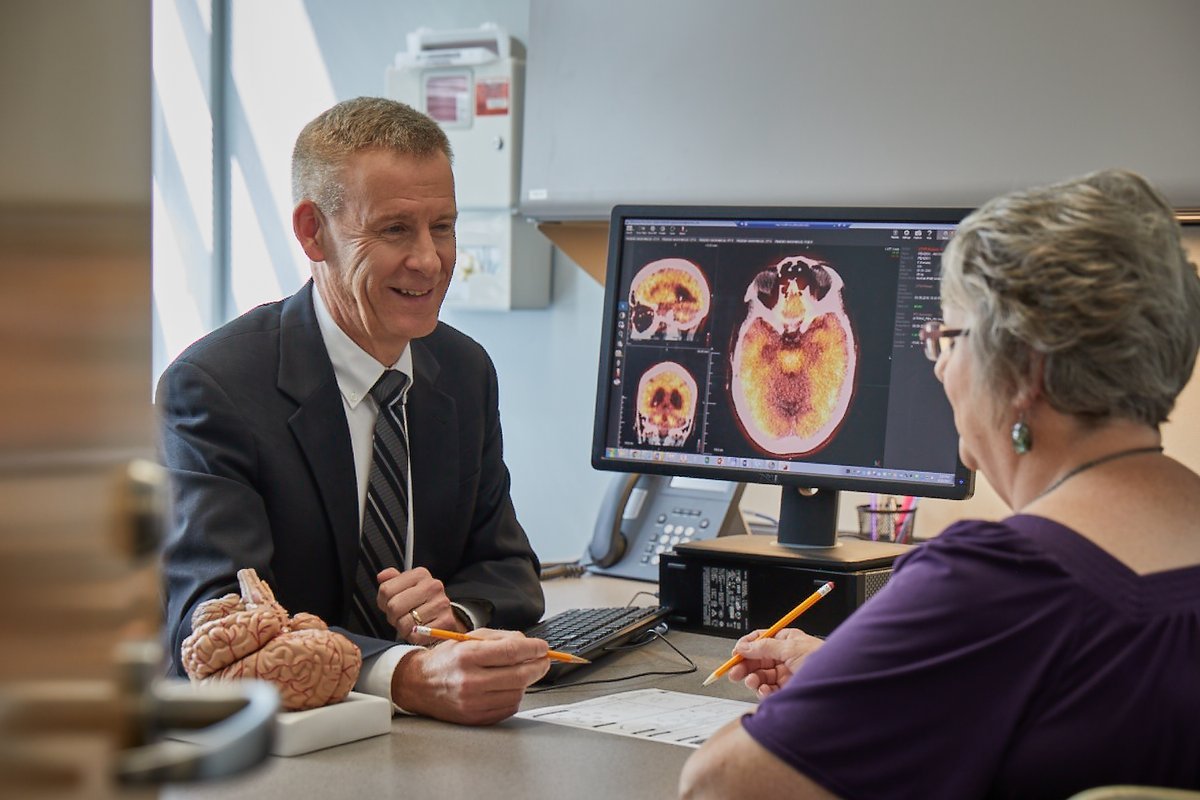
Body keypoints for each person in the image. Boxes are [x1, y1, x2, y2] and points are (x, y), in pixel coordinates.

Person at [679, 169, 1200, 797]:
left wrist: (836, 694)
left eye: (947, 338)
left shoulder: (996, 584)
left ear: (1026, 368)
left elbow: (718, 787)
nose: (941, 367)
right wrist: (866, 674)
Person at [158, 97, 550, 726]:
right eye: (395, 229)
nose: (429, 259)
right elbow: (211, 627)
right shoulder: (214, 388)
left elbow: (508, 569)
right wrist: (406, 674)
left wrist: (455, 617)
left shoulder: (464, 370)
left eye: (443, 227)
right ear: (313, 232)